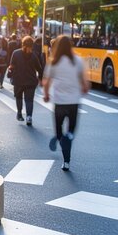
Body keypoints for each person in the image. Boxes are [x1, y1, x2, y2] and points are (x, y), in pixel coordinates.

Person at [43, 35, 90, 172]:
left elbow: (47, 81)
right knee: (71, 132)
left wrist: (46, 95)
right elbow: (84, 82)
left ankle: (60, 140)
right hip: (74, 103)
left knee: (59, 132)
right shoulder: (78, 61)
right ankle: (66, 158)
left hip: (59, 103)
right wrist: (85, 88)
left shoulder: (54, 62)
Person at [9, 36, 43, 126]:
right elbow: (39, 69)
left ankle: (19, 113)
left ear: (22, 44)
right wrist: (40, 78)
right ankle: (29, 117)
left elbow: (11, 66)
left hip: (18, 80)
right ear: (32, 45)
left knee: (19, 97)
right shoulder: (34, 55)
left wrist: (10, 74)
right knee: (29, 100)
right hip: (31, 81)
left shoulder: (16, 53)